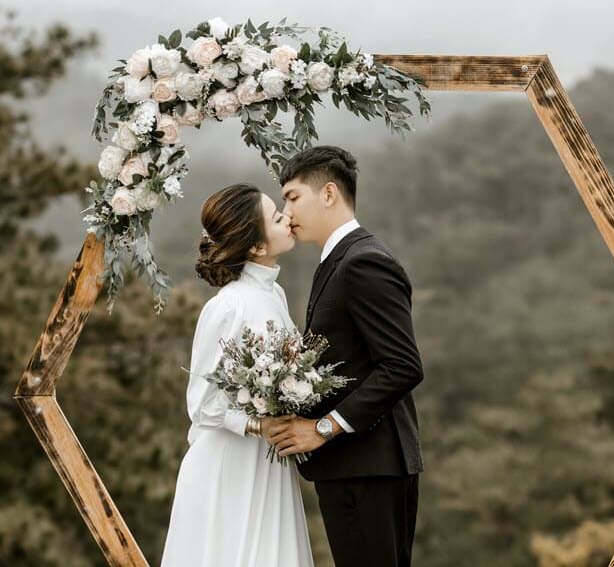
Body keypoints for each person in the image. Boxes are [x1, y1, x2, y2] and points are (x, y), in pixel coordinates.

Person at [267, 145, 424, 567]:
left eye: (293, 196)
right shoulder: (336, 260)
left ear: (329, 193)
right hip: (353, 467)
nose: (287, 210)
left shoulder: (364, 261)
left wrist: (323, 428)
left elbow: (403, 365)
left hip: (370, 466)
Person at [160, 183, 313, 567]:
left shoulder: (273, 295)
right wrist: (258, 425)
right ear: (257, 246)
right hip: (228, 467)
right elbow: (201, 403)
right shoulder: (227, 306)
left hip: (266, 462)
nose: (287, 217)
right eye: (277, 217)